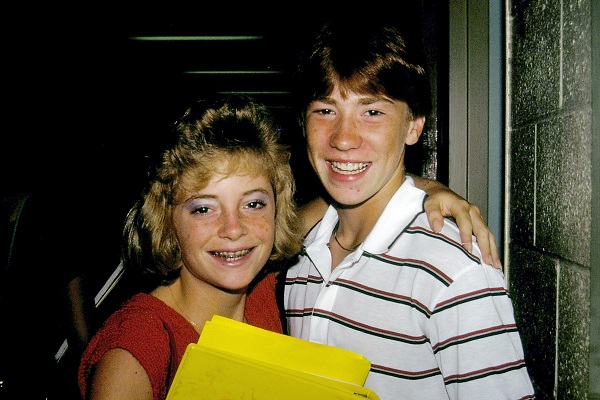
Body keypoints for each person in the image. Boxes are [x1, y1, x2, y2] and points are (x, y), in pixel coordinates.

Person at [282, 19, 535, 399]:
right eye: (325, 110)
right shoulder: (302, 254)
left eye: (372, 112)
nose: (343, 139)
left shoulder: (454, 269)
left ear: (414, 126)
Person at [78, 94, 303, 400]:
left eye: (253, 204)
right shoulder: (136, 350)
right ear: (166, 220)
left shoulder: (263, 297)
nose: (234, 229)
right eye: (204, 209)